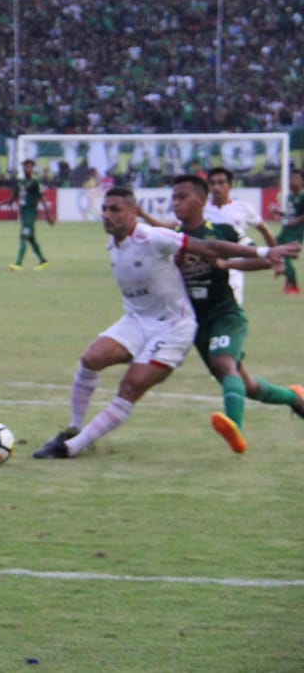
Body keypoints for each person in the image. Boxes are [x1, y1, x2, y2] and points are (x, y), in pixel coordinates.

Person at [33, 186, 300, 459]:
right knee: (90, 359)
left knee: (131, 386)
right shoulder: (113, 241)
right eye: (104, 209)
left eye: (114, 209)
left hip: (174, 326)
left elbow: (209, 247)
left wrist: (265, 252)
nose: (106, 215)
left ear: (132, 213)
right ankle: (73, 429)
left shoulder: (153, 237)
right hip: (137, 320)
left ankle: (70, 448)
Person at [169, 174, 304, 452]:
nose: (176, 202)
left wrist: (226, 262)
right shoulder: (171, 237)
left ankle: (236, 430)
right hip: (197, 324)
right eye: (174, 197)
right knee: (248, 386)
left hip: (226, 314)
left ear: (201, 200)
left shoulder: (223, 231)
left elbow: (262, 258)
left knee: (223, 362)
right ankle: (295, 397)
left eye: (182, 196)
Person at [203, 166, 275, 306]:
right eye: (212, 183)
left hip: (233, 270)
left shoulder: (243, 208)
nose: (216, 187)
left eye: (221, 182)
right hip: (205, 270)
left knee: (231, 312)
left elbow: (264, 230)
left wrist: (276, 254)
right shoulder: (201, 209)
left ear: (230, 186)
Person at [0, 158, 53, 270]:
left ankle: (18, 264)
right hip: (23, 215)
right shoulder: (20, 183)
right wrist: (0, 204)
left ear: (33, 168)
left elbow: (42, 199)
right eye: (26, 166)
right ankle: (43, 261)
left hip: (30, 215)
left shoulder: (35, 183)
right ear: (23, 168)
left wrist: (48, 216)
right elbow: (12, 199)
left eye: (30, 166)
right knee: (31, 240)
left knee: (23, 238)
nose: (28, 168)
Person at [271, 169, 304, 295]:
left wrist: (297, 220)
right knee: (275, 251)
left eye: (297, 178)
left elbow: (299, 216)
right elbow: (291, 214)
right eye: (292, 178)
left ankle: (294, 286)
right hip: (286, 231)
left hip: (295, 233)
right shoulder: (290, 196)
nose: (293, 180)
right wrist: (279, 212)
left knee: (283, 256)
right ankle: (289, 282)